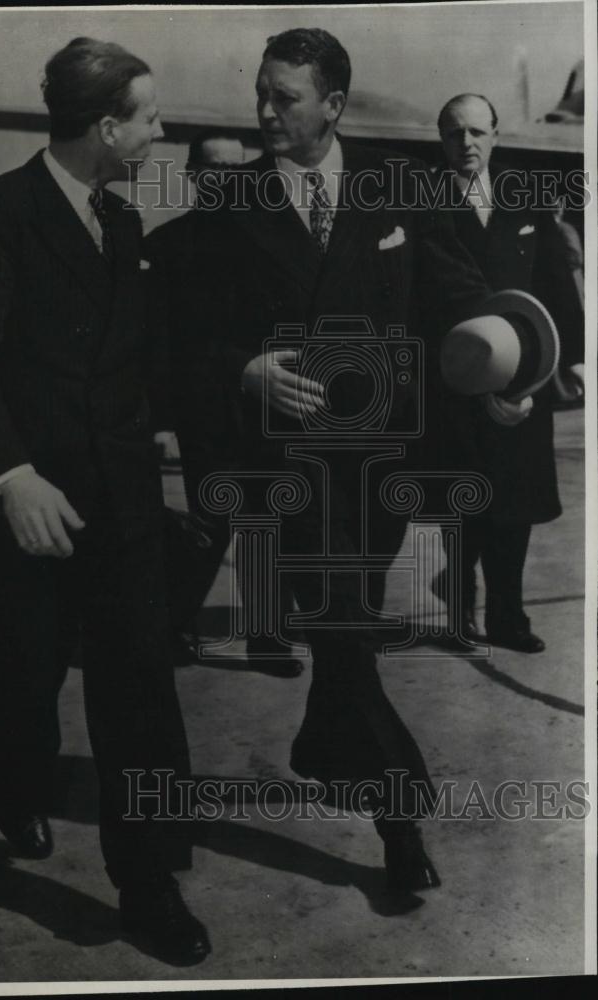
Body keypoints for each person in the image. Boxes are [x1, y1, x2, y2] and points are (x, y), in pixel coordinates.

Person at [185, 27, 495, 892]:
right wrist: (243, 371)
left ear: (332, 103)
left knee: (340, 632)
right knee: (347, 631)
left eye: (283, 97)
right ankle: (400, 825)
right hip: (288, 470)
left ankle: (323, 743)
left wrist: (505, 357)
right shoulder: (227, 202)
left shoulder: (396, 189)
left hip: (383, 464)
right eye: (260, 92)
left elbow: (453, 291)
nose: (264, 111)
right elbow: (183, 333)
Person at [0, 37, 209, 965]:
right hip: (28, 503)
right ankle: (16, 791)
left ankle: (146, 884)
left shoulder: (124, 225)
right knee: (29, 670)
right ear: (106, 127)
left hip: (120, 504)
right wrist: (11, 477)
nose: (160, 130)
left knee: (137, 688)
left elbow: (140, 365)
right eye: (149, 115)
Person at [146, 130, 305, 677]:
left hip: (266, 412)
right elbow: (160, 344)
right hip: (204, 413)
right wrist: (163, 422)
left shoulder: (271, 240)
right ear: (193, 174)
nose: (227, 179)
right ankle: (168, 628)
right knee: (209, 527)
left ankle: (268, 641)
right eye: (214, 169)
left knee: (270, 524)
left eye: (238, 168)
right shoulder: (166, 246)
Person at [433, 93, 584, 652]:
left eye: (476, 132)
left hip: (525, 375)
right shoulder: (427, 202)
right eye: (454, 134)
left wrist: (571, 361)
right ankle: (459, 614)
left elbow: (553, 282)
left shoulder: (526, 196)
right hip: (460, 374)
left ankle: (508, 617)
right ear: (441, 139)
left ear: (495, 135)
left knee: (513, 507)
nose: (466, 143)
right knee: (464, 507)